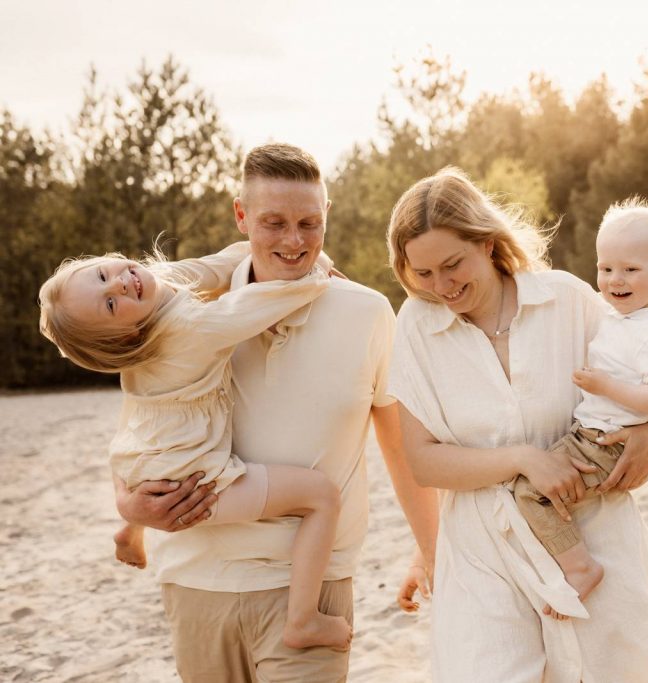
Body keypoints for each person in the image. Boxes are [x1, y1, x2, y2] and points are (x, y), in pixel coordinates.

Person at [111, 143, 437, 682]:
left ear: (327, 215)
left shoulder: (367, 312)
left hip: (311, 588)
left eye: (310, 223)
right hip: (198, 581)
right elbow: (144, 427)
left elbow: (401, 444)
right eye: (274, 222)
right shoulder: (181, 316)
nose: (294, 241)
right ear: (241, 216)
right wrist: (129, 506)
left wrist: (429, 551)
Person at [387, 167, 648, 682]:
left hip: (592, 528)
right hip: (482, 551)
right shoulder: (416, 326)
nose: (441, 286)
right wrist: (523, 459)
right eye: (422, 273)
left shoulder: (566, 298)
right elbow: (422, 461)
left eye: (452, 264)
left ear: (486, 243)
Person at [38, 244, 360, 650]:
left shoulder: (158, 283)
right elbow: (277, 296)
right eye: (110, 304)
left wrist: (262, 247)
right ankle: (302, 619)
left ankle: (130, 530)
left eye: (104, 274)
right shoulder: (191, 329)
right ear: (127, 335)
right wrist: (320, 262)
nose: (120, 282)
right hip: (190, 484)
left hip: (145, 457)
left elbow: (226, 261)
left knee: (167, 444)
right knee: (321, 496)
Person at [512, 198, 648, 619]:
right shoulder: (621, 315)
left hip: (605, 443)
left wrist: (606, 385)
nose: (614, 279)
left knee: (530, 491)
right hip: (591, 434)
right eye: (606, 267)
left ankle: (580, 568)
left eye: (630, 269)